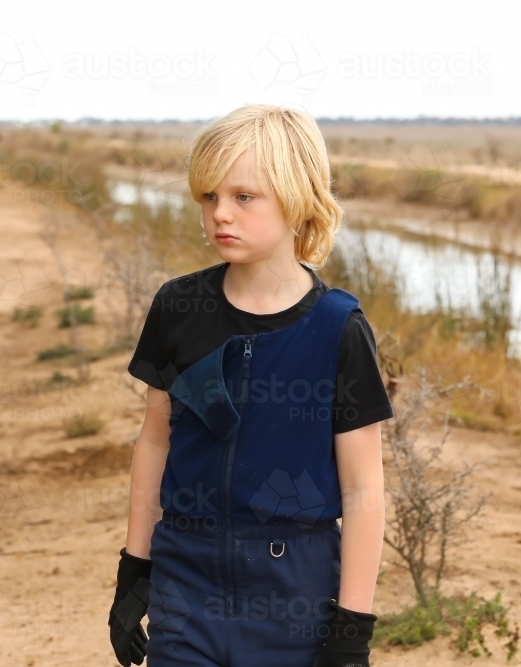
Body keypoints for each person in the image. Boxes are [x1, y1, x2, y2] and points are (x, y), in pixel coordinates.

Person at [109, 104, 394, 667]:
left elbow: (364, 490)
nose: (221, 214)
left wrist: (353, 627)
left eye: (244, 197)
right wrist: (135, 568)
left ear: (297, 198)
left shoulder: (338, 327)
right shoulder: (178, 306)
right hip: (183, 582)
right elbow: (155, 441)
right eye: (209, 197)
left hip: (294, 593)